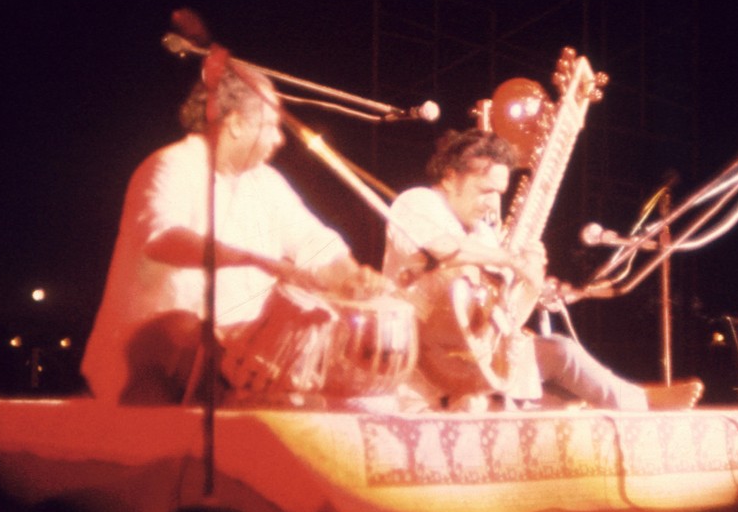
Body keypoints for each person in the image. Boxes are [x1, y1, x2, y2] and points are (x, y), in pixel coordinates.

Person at [81, 63, 372, 405]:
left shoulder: (267, 183)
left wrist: (356, 280)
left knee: (318, 403)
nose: (279, 139)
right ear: (234, 124)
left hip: (236, 365)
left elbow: (316, 245)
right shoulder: (172, 165)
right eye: (270, 126)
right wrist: (257, 261)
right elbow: (163, 240)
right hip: (153, 364)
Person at [383, 128, 702, 411]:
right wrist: (508, 260)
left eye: (499, 193)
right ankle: (638, 399)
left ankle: (635, 399)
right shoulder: (418, 203)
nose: (493, 204)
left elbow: (504, 325)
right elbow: (439, 248)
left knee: (560, 359)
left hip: (474, 370)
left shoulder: (482, 233)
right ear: (451, 176)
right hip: (422, 374)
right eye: (485, 190)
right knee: (519, 401)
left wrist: (531, 282)